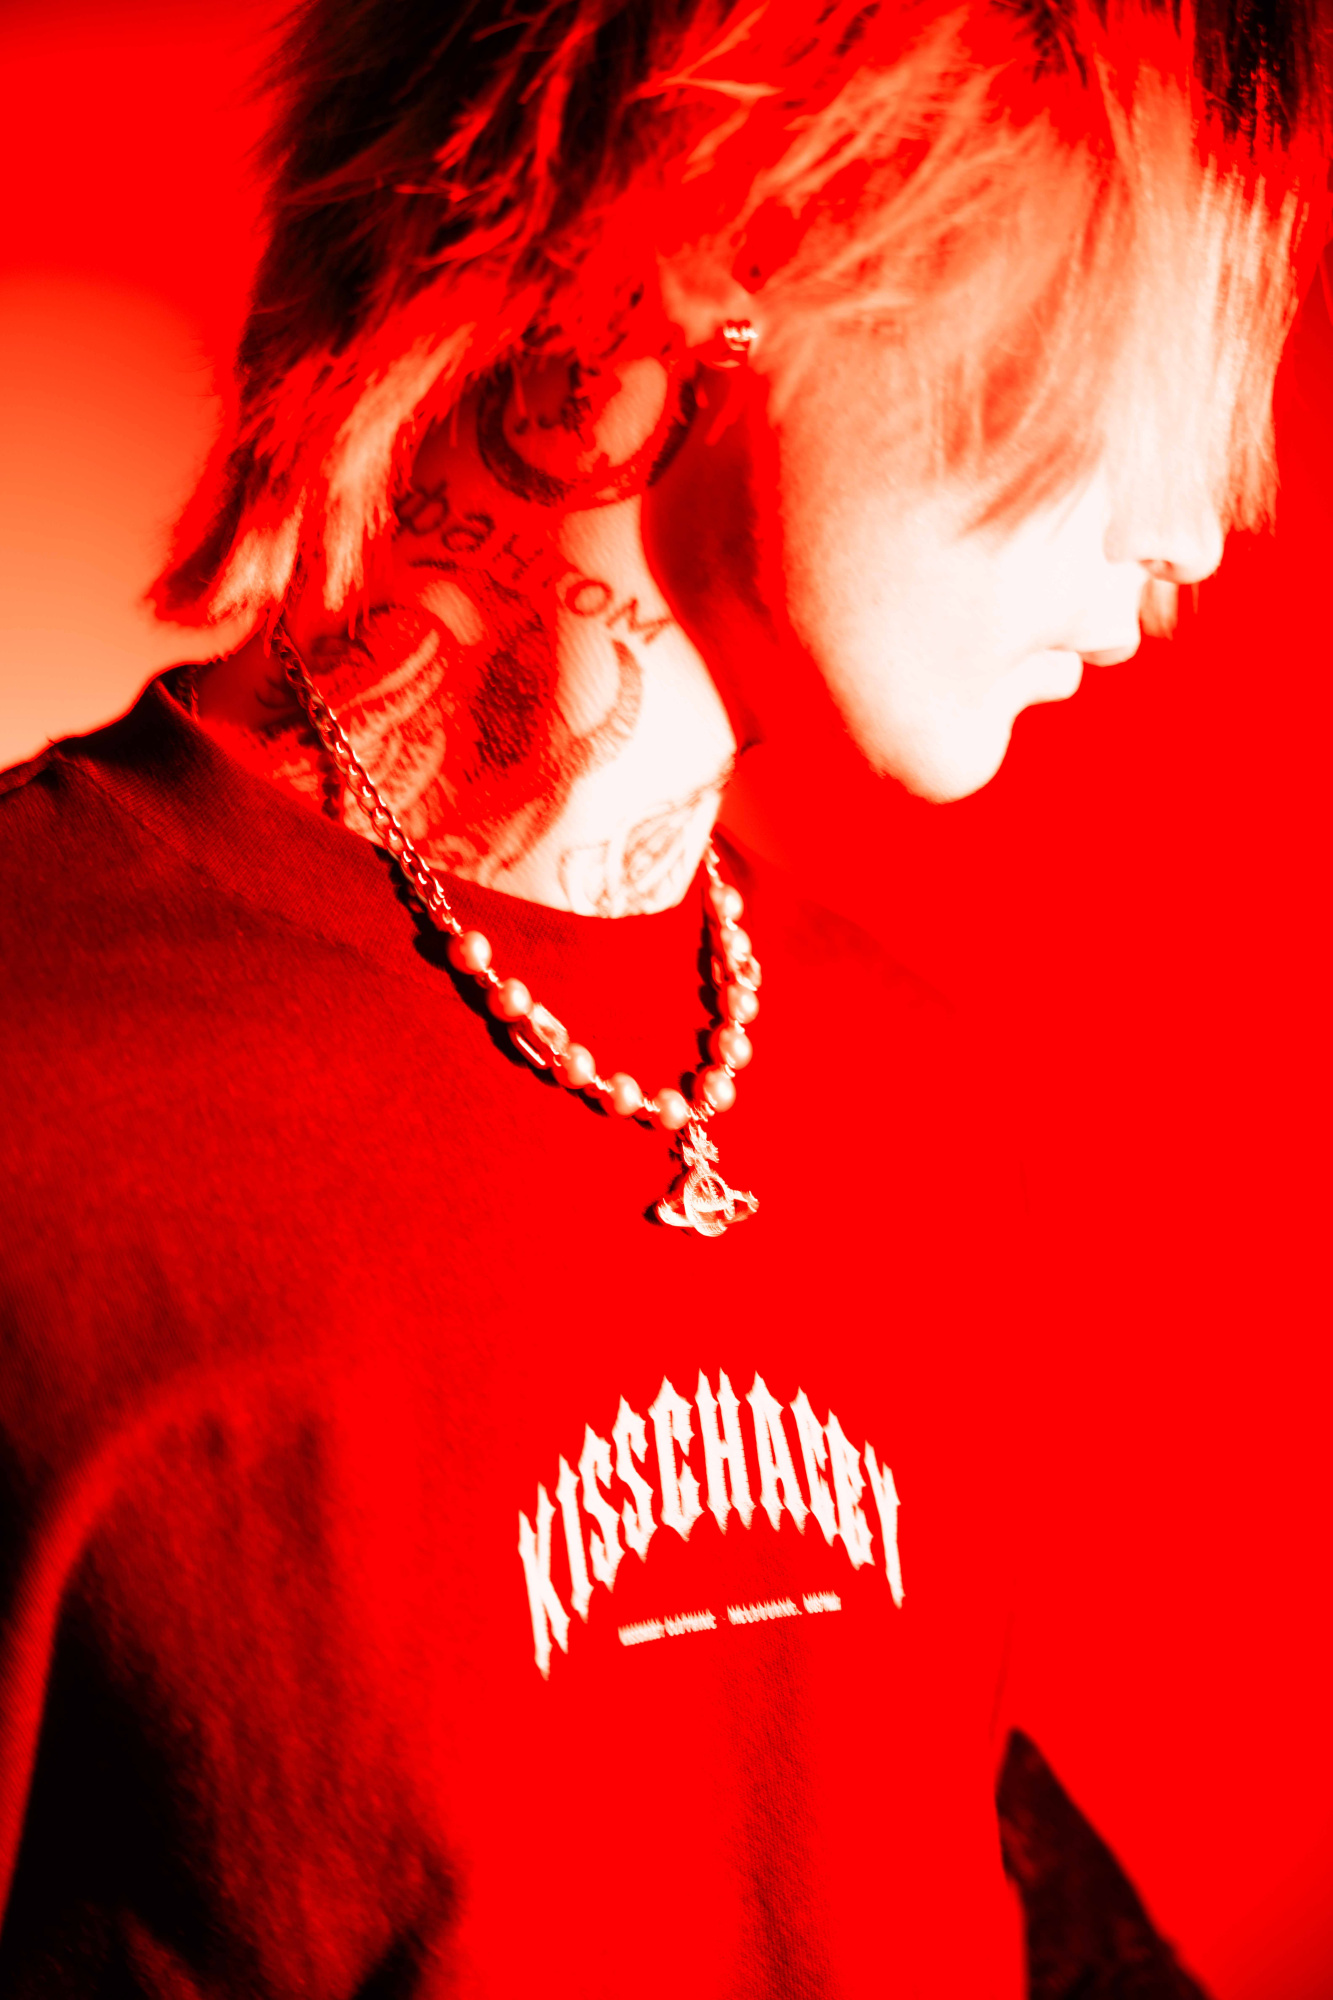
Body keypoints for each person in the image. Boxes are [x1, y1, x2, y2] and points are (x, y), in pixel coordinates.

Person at [1, 0, 1327, 1993]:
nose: (1196, 530)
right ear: (733, 228)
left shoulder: (911, 1102)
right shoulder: (41, 1082)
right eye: (1124, 350)